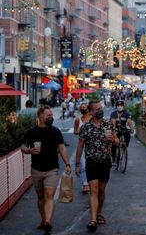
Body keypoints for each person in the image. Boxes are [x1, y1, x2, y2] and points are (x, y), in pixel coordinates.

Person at [21, 106, 71, 234]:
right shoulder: (31, 132)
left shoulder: (56, 131)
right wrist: (29, 150)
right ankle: (43, 220)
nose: (51, 117)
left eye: (51, 115)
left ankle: (48, 221)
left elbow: (62, 148)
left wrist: (68, 164)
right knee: (40, 197)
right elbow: (23, 147)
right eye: (48, 115)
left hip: (52, 170)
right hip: (36, 170)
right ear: (41, 117)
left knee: (49, 195)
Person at [75, 100, 119, 232]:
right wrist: (77, 164)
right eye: (97, 109)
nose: (101, 110)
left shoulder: (108, 124)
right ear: (91, 112)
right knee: (93, 191)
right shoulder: (85, 128)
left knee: (101, 190)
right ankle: (93, 219)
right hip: (91, 162)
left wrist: (113, 140)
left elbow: (117, 141)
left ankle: (99, 212)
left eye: (101, 108)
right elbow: (80, 146)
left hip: (105, 161)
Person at [73, 102, 91, 194]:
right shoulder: (78, 120)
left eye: (84, 107)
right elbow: (75, 132)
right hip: (82, 146)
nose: (82, 108)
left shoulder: (92, 119)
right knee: (83, 165)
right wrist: (81, 131)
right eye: (81, 107)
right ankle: (85, 184)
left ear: (88, 108)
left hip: (92, 146)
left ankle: (91, 181)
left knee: (91, 165)